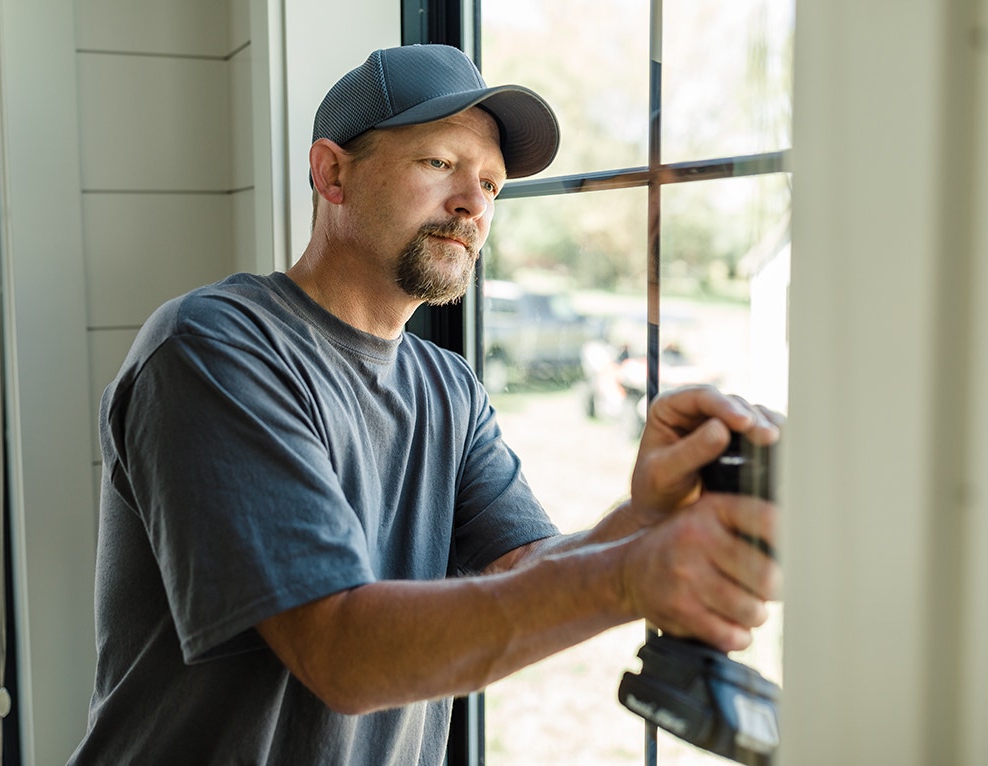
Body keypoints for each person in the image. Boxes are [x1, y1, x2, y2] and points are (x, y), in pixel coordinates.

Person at [68, 44, 781, 765]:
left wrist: (652, 514)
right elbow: (340, 652)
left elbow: (524, 570)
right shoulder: (214, 347)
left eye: (493, 185)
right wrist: (630, 572)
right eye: (439, 164)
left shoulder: (448, 386)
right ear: (332, 173)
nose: (473, 203)